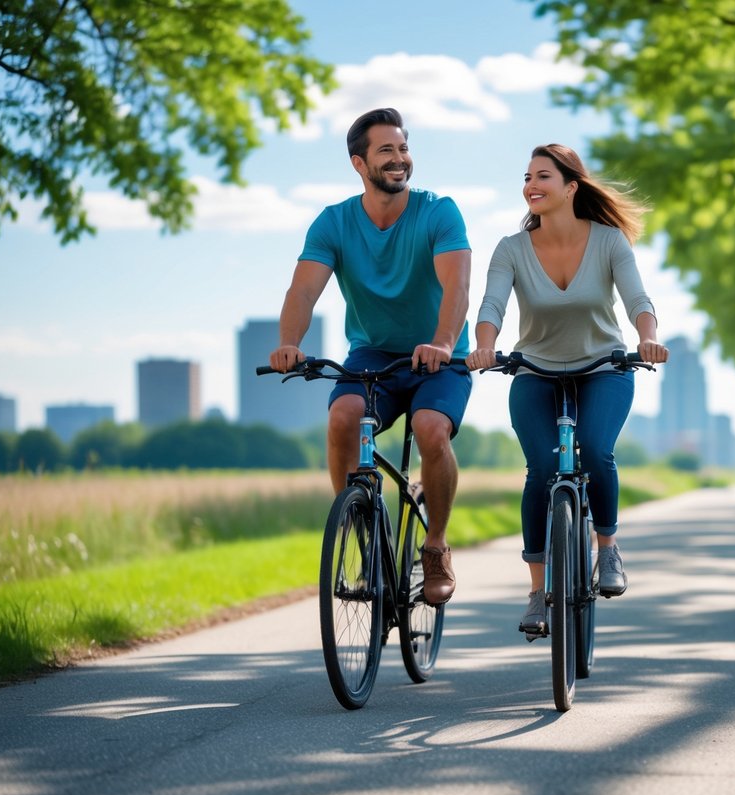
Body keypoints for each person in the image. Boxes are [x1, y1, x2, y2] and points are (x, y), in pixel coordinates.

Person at [269, 107, 471, 605]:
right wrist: (290, 342)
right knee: (342, 416)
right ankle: (360, 529)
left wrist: (444, 342)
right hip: (373, 352)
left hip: (439, 354)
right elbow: (302, 290)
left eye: (404, 149)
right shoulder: (334, 222)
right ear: (359, 163)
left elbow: (458, 285)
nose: (400, 159)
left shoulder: (438, 211)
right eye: (387, 151)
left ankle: (437, 546)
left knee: (430, 429)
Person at [465, 143, 668, 636]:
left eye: (543, 177)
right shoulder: (511, 249)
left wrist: (647, 338)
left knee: (597, 451)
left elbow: (637, 297)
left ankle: (608, 548)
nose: (531, 185)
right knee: (539, 472)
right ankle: (538, 592)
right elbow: (491, 305)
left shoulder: (609, 241)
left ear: (571, 187)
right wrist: (486, 346)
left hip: (604, 366)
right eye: (527, 177)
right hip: (535, 368)